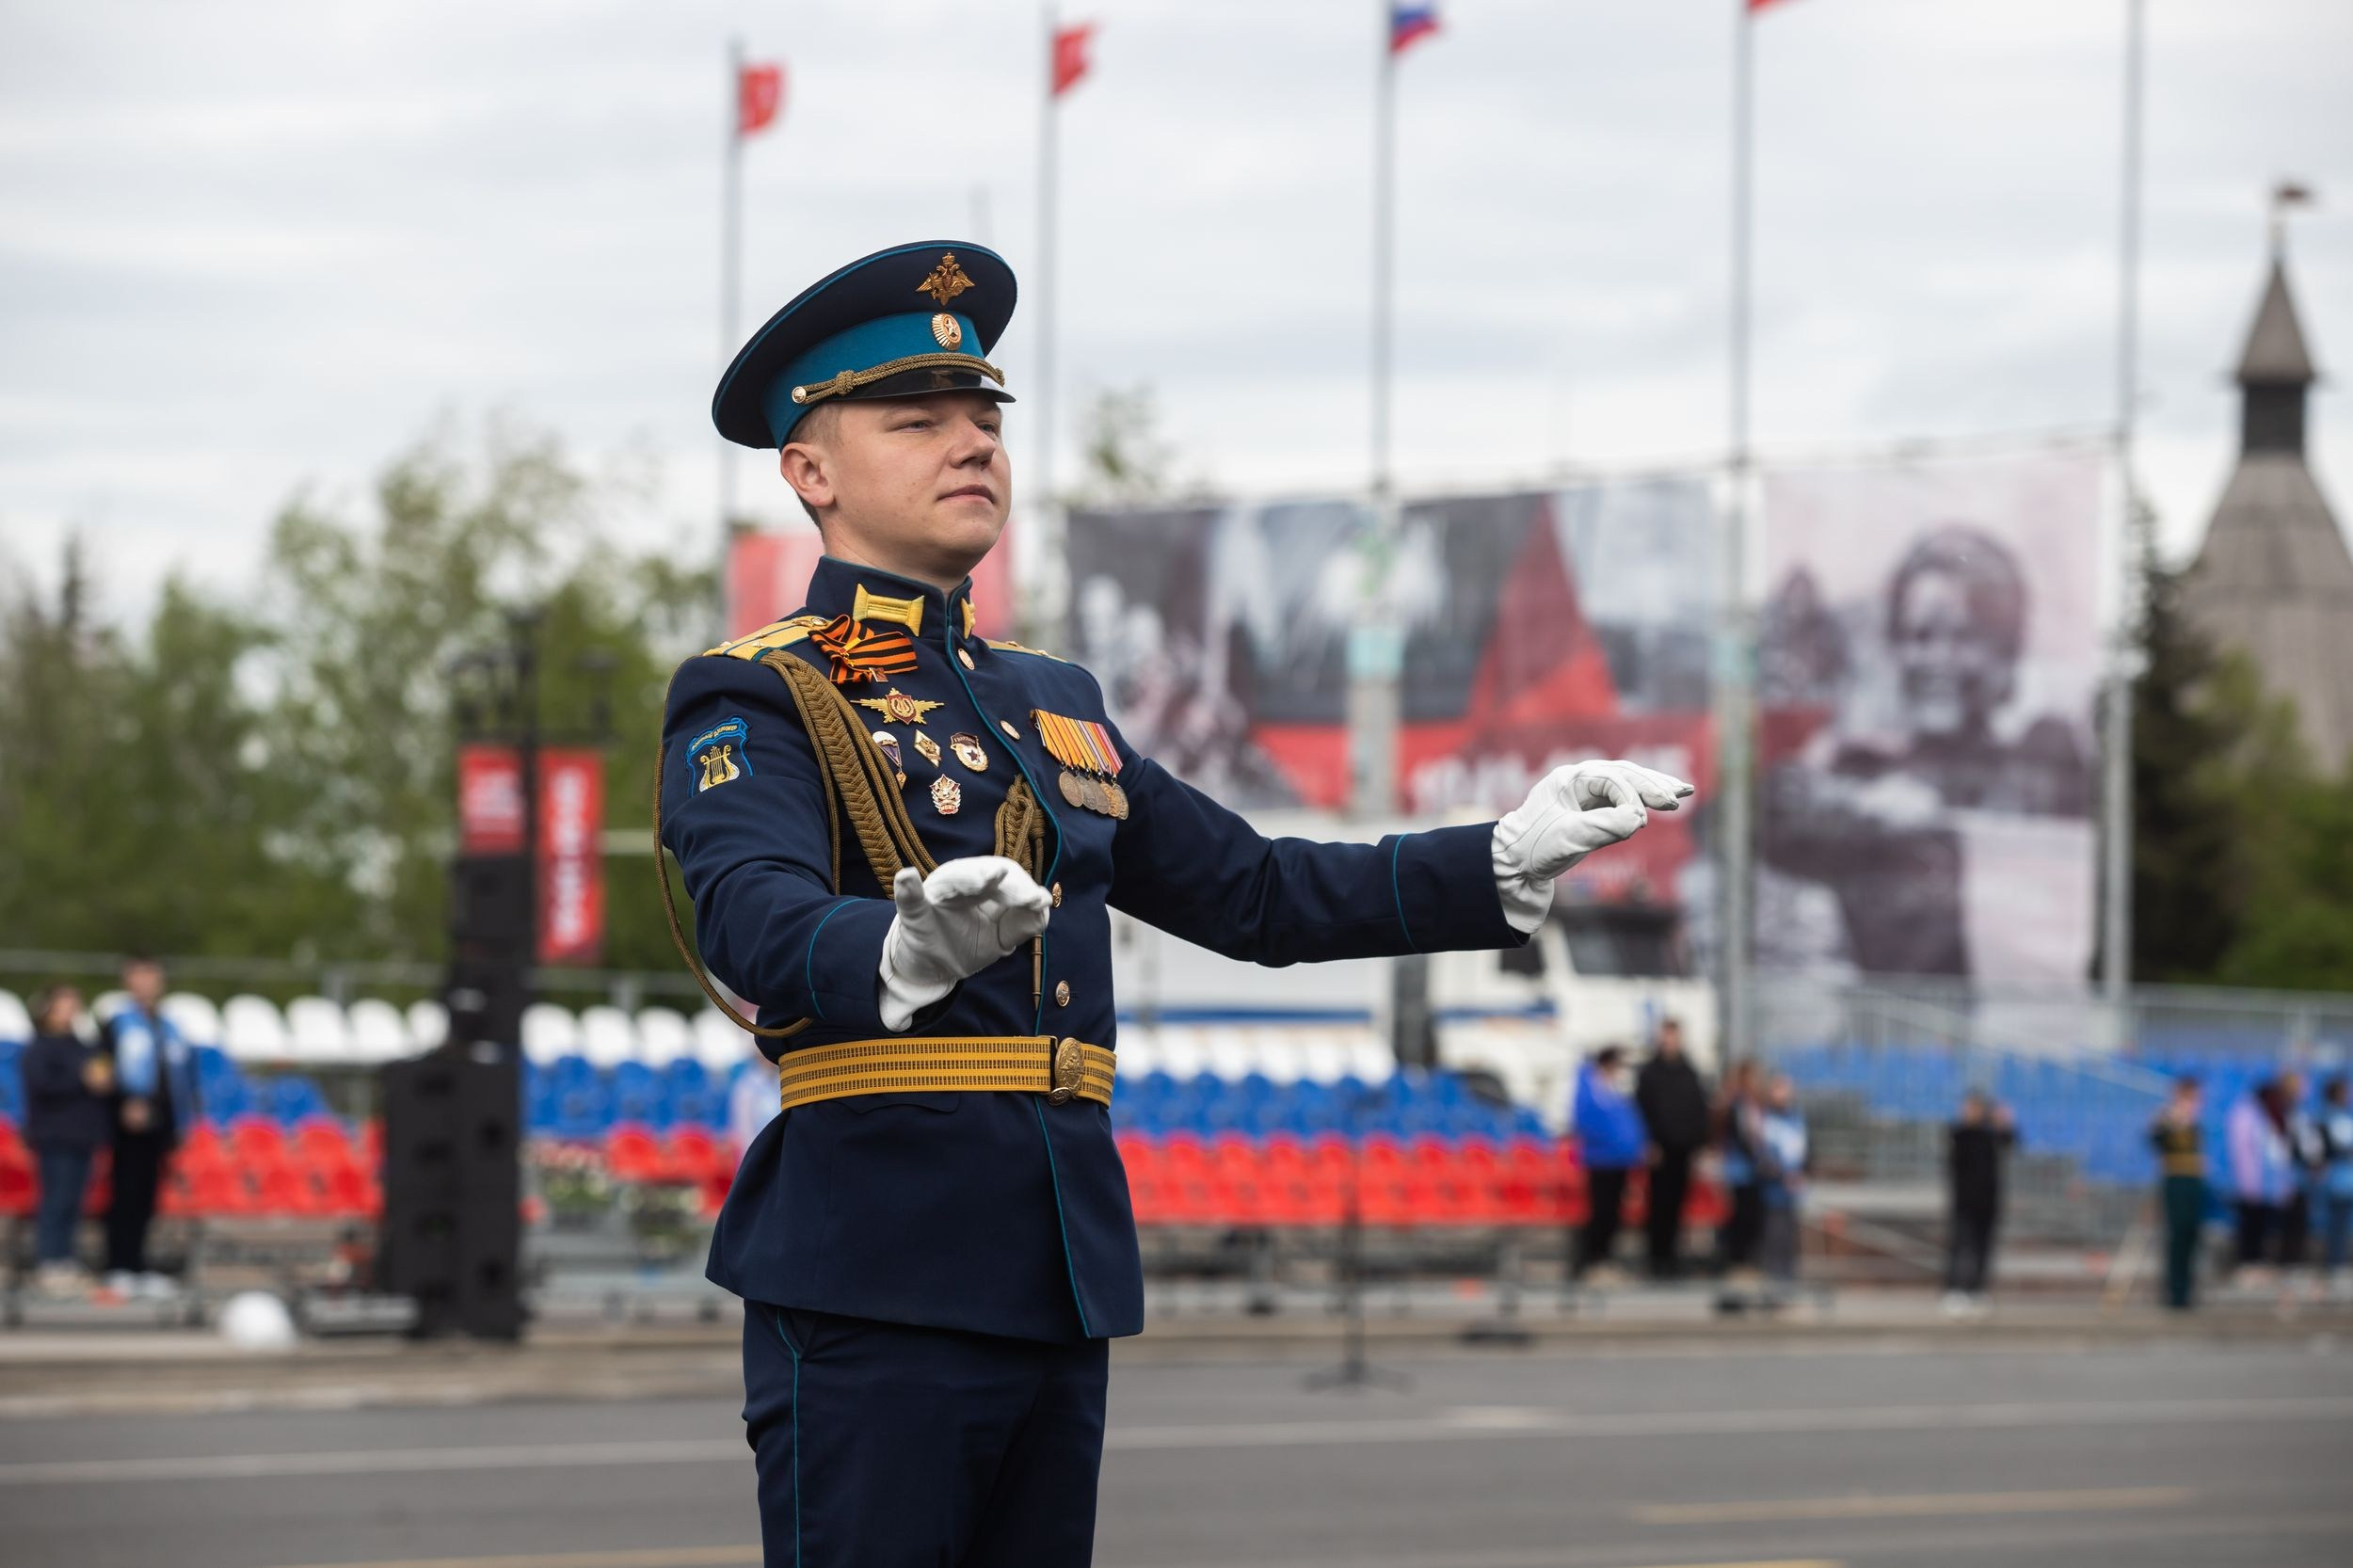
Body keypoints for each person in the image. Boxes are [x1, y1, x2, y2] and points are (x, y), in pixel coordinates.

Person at [664, 239, 1693, 1567]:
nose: (970, 443)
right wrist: (902, 945)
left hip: (1057, 1272)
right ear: (809, 470)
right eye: (916, 420)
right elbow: (753, 912)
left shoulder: (1051, 697)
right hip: (876, 1271)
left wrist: (1496, 857)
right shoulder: (761, 690)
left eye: (984, 417)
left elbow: (1255, 890)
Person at [101, 953, 197, 1299]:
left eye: (150, 976)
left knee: (147, 1198)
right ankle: (117, 1265)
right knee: (124, 1195)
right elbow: (101, 1069)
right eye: (138, 975)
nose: (145, 983)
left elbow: (183, 1074)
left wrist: (183, 1120)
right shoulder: (115, 1023)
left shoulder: (168, 1025)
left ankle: (139, 1264)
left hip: (161, 1125)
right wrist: (123, 1102)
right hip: (126, 1126)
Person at [18, 984, 110, 1297]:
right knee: (55, 1200)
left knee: (75, 1201)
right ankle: (49, 1260)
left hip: (83, 1135)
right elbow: (43, 1085)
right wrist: (81, 1080)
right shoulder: (41, 1047)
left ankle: (66, 1258)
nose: (70, 1012)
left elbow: (100, 1074)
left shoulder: (81, 1046)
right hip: (54, 1136)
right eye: (63, 1006)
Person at [1633, 1016, 1709, 1279]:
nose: (1669, 1042)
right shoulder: (1649, 1073)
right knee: (1658, 1207)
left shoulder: (1689, 1072)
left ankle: (1673, 1259)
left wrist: (1699, 1143)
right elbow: (1641, 1110)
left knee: (1678, 1206)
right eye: (1666, 1037)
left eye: (1673, 1036)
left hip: (1683, 1150)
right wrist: (1647, 1142)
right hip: (1659, 1150)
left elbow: (1699, 1110)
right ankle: (1656, 1259)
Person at [1570, 1045, 1647, 1283]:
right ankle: (1594, 1259)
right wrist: (1612, 1141)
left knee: (1613, 1213)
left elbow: (1629, 1121)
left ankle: (1604, 1257)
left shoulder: (1613, 1089)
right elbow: (1585, 1121)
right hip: (1601, 1160)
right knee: (1601, 1212)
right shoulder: (1590, 1088)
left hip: (1620, 1160)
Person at [1942, 1089, 2014, 1316]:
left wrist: (2002, 1123)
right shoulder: (1959, 1134)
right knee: (1960, 1246)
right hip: (1964, 1202)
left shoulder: (1989, 1135)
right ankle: (1953, 1290)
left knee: (1984, 1248)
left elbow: (2009, 1141)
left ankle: (1977, 1290)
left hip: (1988, 1202)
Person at [2225, 1079, 2293, 1276]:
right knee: (2250, 1226)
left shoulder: (2269, 1117)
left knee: (2264, 1227)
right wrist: (2249, 1183)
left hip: (2267, 1186)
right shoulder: (2246, 1116)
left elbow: (2277, 1154)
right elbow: (2243, 1153)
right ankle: (2248, 1263)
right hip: (2250, 1185)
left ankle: (2259, 1262)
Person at [2150, 1076, 2206, 1310]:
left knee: (2192, 1235)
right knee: (2177, 1235)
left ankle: (2188, 1290)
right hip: (2175, 1179)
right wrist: (2173, 1121)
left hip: (2193, 1179)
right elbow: (2155, 1141)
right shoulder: (2167, 1117)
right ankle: (2175, 1291)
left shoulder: (2195, 1120)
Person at [1755, 1073, 1809, 1300]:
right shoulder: (1765, 1120)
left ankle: (1788, 1284)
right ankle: (1774, 1285)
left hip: (1791, 1191)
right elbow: (1763, 1154)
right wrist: (1779, 1173)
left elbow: (1804, 1151)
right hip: (1773, 1190)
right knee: (1774, 1237)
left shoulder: (1796, 1119)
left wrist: (1799, 1173)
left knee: (1789, 1239)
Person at [1714, 1057, 1766, 1280]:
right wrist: (1758, 1158)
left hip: (1752, 1171)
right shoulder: (1737, 1104)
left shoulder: (1756, 1105)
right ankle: (1737, 1262)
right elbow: (1742, 1137)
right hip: (1740, 1171)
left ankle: (1746, 1261)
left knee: (1752, 1218)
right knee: (1741, 1217)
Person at [2314, 1079, 2353, 1298]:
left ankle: (2339, 1262)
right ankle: (2332, 1264)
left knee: (2344, 1224)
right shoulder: (2326, 1118)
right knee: (2333, 1225)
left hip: (2348, 1181)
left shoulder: (2347, 1117)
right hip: (2333, 1181)